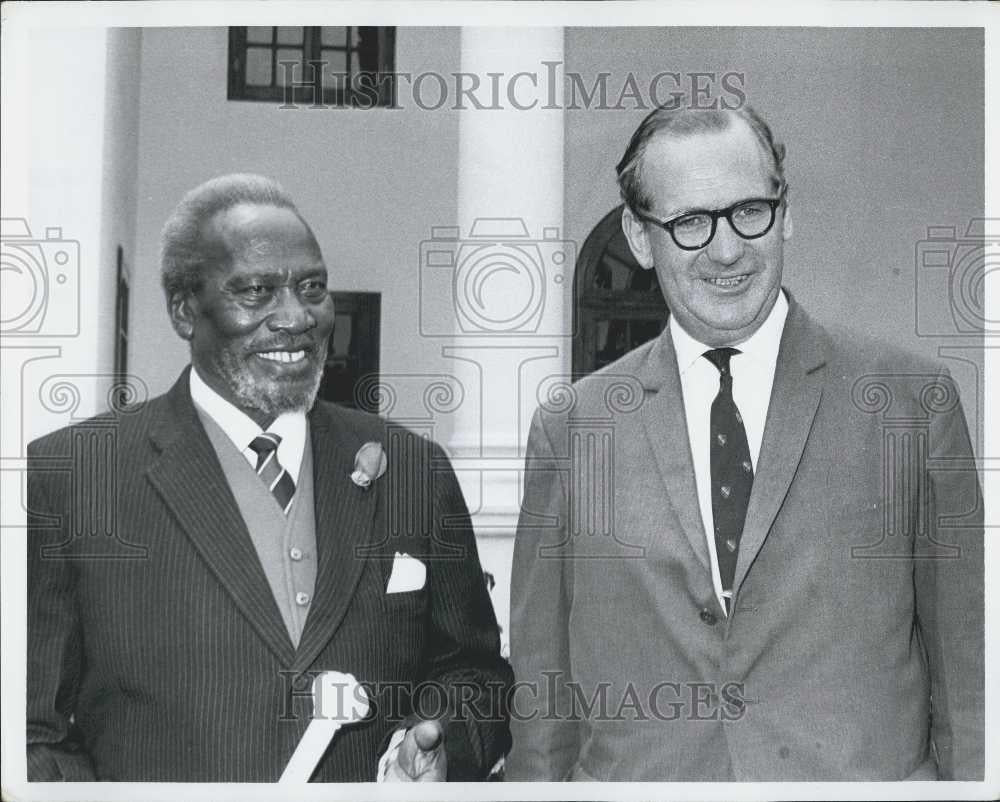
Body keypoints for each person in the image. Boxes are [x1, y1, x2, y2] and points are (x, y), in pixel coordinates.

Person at [508, 106, 983, 781]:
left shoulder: (912, 403)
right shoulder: (572, 428)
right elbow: (542, 700)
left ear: (786, 214)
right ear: (640, 239)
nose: (727, 250)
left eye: (749, 211)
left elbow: (969, 675)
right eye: (690, 222)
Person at [27, 174, 512, 782]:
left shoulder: (414, 468)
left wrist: (441, 749)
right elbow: (32, 734)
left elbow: (476, 675)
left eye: (312, 288)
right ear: (184, 310)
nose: (295, 318)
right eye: (256, 291)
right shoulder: (72, 479)